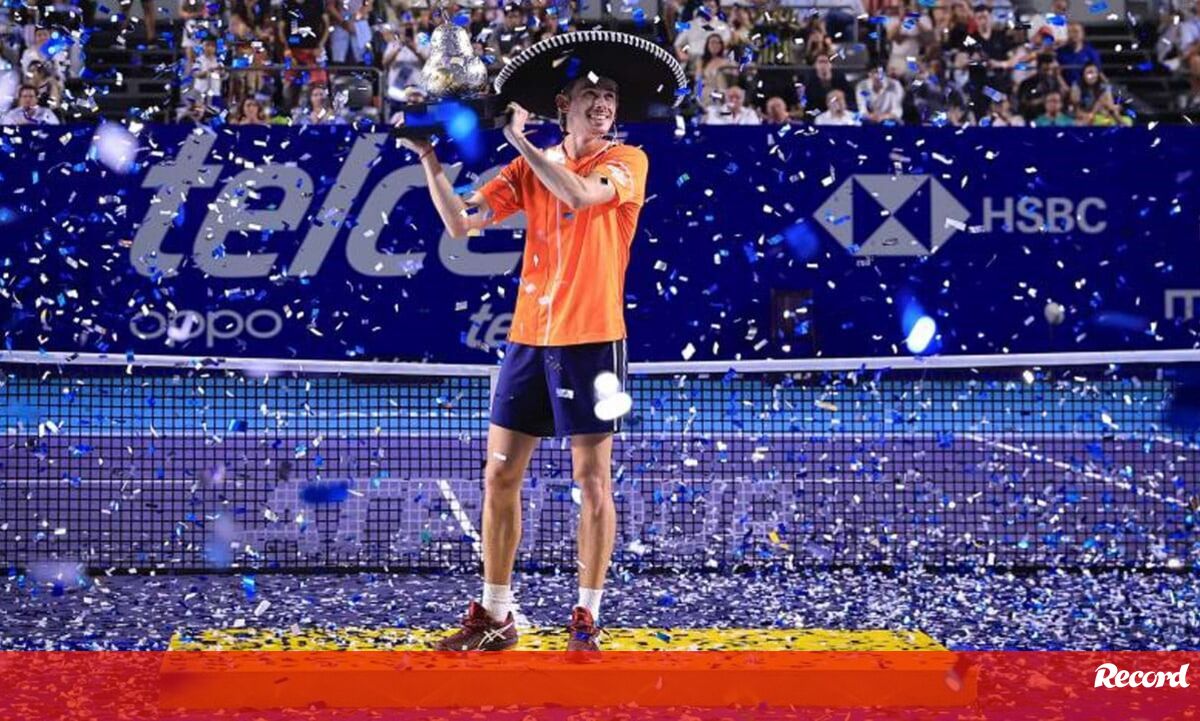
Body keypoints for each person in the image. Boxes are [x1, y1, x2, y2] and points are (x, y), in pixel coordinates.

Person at [405, 30, 685, 653]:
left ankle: (586, 613)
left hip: (594, 340)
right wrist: (428, 158)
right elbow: (460, 223)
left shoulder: (626, 161)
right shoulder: (529, 167)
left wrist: (518, 141)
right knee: (499, 475)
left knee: (591, 479)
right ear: (563, 104)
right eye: (590, 95)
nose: (603, 105)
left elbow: (580, 195)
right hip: (529, 340)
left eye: (610, 97)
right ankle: (497, 613)